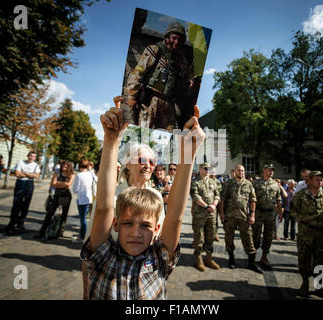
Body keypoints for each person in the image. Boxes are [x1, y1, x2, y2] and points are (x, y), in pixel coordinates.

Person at [80, 99, 205, 299]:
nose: (136, 232)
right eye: (128, 222)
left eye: (152, 161)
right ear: (116, 223)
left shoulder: (157, 259)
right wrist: (112, 141)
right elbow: (103, 210)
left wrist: (188, 155)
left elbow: (174, 218)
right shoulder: (113, 196)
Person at [124, 22, 195, 131]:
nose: (176, 42)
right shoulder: (155, 50)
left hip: (168, 103)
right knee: (142, 133)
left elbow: (186, 75)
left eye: (180, 40)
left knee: (168, 136)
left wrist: (190, 79)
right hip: (150, 101)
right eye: (174, 38)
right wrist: (132, 96)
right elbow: (138, 72)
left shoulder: (180, 59)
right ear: (167, 37)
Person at [291, 171, 323, 299]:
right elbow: (293, 210)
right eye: (317, 179)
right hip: (306, 232)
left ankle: (320, 288)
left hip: (321, 233)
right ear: (309, 181)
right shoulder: (300, 195)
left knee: (320, 260)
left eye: (321, 179)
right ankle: (305, 284)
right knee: (304, 259)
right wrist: (304, 219)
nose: (320, 182)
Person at [220, 165, 262, 273]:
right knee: (229, 238)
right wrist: (222, 213)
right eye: (239, 170)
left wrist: (252, 215)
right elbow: (223, 199)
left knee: (248, 238)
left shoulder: (249, 184)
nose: (241, 172)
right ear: (235, 171)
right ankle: (231, 259)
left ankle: (252, 262)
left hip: (244, 217)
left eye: (243, 170)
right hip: (230, 216)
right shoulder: (228, 183)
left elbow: (253, 200)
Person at [252, 163, 283, 270]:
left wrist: (280, 212)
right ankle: (253, 257)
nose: (271, 172)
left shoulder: (275, 184)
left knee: (268, 236)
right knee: (256, 234)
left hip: (270, 213)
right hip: (259, 212)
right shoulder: (256, 183)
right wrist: (251, 213)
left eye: (272, 170)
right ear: (264, 170)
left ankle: (264, 257)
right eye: (269, 170)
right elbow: (252, 199)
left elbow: (278, 199)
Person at [190, 163, 220, 271]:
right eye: (205, 168)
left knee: (210, 236)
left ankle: (208, 258)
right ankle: (199, 259)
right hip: (199, 214)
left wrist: (214, 205)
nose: (207, 170)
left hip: (211, 214)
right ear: (200, 169)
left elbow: (217, 194)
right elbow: (195, 196)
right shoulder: (195, 181)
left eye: (209, 169)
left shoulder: (213, 182)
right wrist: (207, 206)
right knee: (199, 237)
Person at [4, 151, 41, 234]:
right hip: (21, 184)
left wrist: (24, 172)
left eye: (34, 156)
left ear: (35, 158)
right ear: (28, 156)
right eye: (30, 156)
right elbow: (17, 174)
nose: (31, 157)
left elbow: (37, 176)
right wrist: (30, 174)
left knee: (26, 204)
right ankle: (12, 223)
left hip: (29, 184)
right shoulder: (21, 162)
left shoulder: (36, 165)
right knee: (16, 204)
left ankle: (21, 222)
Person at [38, 160, 75, 238]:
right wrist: (62, 184)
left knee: (64, 215)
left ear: (69, 167)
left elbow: (68, 184)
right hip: (57, 195)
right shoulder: (57, 173)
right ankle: (42, 231)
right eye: (63, 166)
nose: (64, 167)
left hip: (66, 196)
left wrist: (58, 184)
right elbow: (53, 184)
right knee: (49, 213)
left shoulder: (71, 175)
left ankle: (60, 232)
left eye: (66, 166)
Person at [72, 159, 95, 241]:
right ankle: (82, 234)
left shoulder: (79, 175)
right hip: (89, 198)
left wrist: (77, 190)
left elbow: (75, 188)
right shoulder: (90, 174)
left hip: (81, 198)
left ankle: (84, 236)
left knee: (83, 219)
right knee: (85, 217)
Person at [208, 167, 222, 242]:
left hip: (215, 204)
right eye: (211, 172)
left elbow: (219, 192)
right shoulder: (205, 180)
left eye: (214, 172)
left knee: (215, 220)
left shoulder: (217, 182)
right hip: (205, 204)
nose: (213, 174)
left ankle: (215, 233)